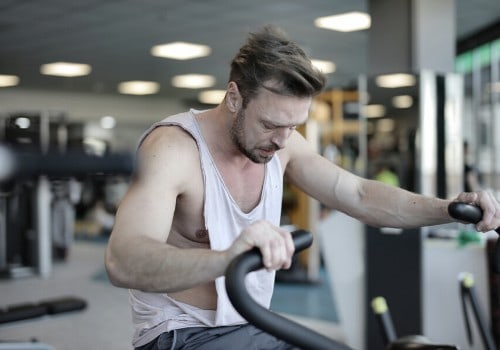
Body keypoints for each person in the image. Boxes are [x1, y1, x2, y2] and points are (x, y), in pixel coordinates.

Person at [104, 25, 500, 350]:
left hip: (252, 326)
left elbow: (358, 194)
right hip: (181, 334)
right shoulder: (173, 149)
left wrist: (448, 209)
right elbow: (123, 259)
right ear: (234, 97)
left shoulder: (284, 145)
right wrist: (228, 259)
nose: (282, 140)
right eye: (271, 125)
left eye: (293, 126)